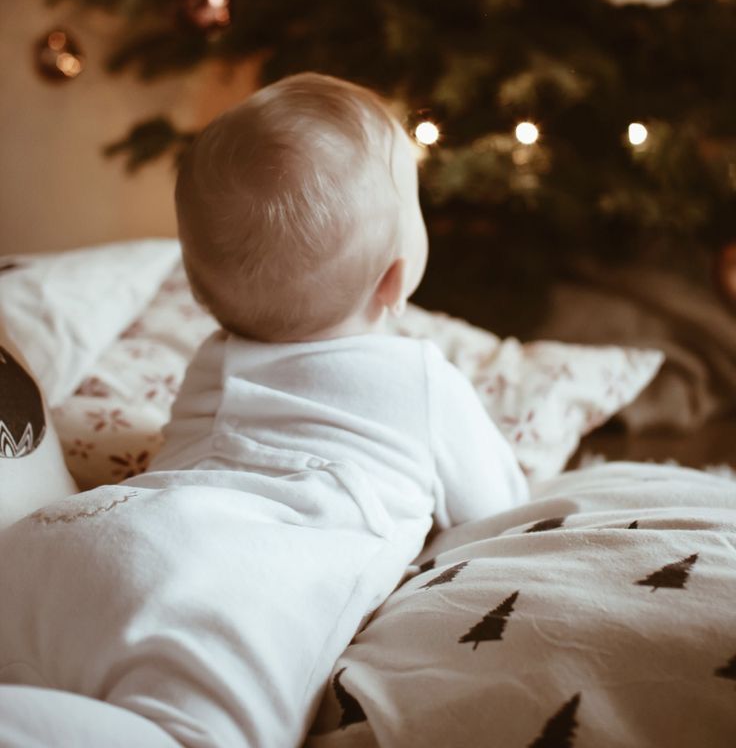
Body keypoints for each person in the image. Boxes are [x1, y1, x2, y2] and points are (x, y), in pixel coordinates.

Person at [0, 73, 529, 748]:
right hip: (216, 587)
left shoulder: (211, 360)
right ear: (397, 278)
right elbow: (499, 514)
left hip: (75, 540)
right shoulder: (421, 378)